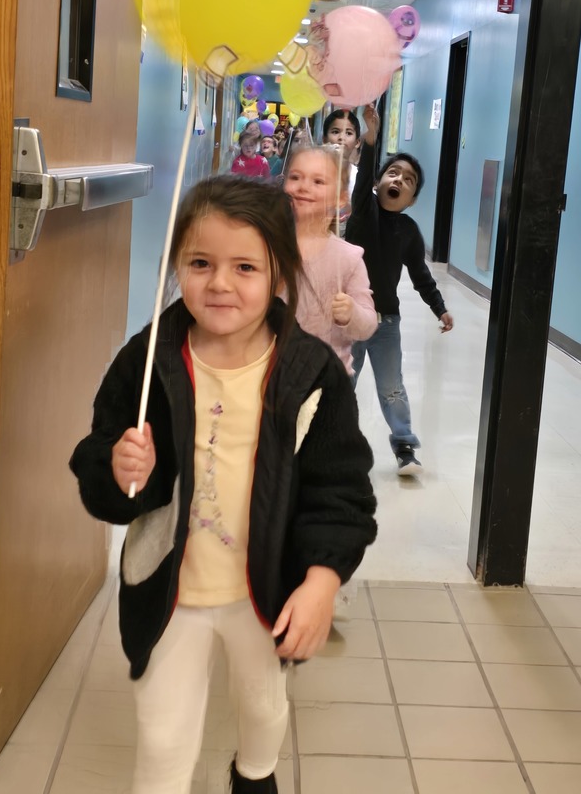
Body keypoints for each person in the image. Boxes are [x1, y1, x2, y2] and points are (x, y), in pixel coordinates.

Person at [69, 175, 377, 793]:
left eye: (245, 267)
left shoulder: (309, 373)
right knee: (162, 736)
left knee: (263, 710)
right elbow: (100, 453)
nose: (219, 284)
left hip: (264, 586)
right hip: (169, 586)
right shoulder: (150, 358)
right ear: (178, 262)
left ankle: (254, 775)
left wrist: (321, 582)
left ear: (279, 276)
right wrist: (120, 470)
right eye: (201, 263)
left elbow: (340, 490)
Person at [345, 104, 453, 476]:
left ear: (412, 199)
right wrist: (371, 138)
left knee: (392, 388)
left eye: (408, 180)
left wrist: (439, 308)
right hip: (348, 316)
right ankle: (330, 441)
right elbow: (361, 187)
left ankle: (404, 445)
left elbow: (421, 274)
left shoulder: (408, 231)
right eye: (393, 173)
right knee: (343, 381)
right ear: (377, 183)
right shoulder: (363, 212)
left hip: (386, 322)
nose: (399, 180)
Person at [284, 145, 377, 373]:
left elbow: (368, 324)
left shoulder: (349, 258)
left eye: (318, 181)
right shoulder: (267, 244)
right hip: (273, 373)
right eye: (295, 177)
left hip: (327, 378)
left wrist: (351, 313)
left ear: (340, 198)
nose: (304, 187)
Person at [323, 108, 361, 235]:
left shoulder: (358, 177)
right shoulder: (314, 172)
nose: (341, 138)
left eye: (348, 133)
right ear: (324, 139)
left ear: (357, 142)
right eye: (335, 132)